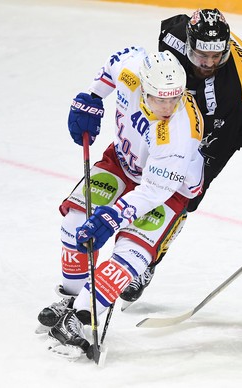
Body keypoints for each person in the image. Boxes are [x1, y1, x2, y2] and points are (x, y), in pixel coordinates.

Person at [119, 8, 242, 305]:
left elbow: (214, 150)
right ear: (188, 43)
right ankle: (147, 259)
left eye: (217, 56)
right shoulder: (172, 37)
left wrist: (186, 178)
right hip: (226, 110)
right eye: (202, 54)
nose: (209, 63)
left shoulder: (230, 88)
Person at [37, 48, 205, 359]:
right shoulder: (132, 71)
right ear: (144, 88)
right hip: (123, 162)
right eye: (160, 98)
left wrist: (113, 217)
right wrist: (94, 96)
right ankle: (70, 300)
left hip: (169, 189)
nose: (169, 106)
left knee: (130, 255)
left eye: (175, 98)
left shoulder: (179, 134)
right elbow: (113, 64)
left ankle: (84, 317)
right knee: (74, 225)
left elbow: (154, 192)